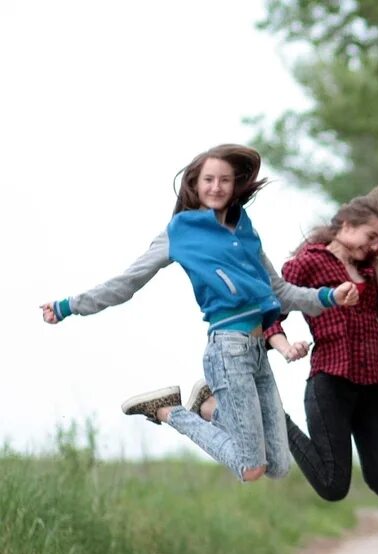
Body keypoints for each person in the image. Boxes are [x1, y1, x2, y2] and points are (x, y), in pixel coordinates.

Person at [41, 144, 358, 481]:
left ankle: (207, 405)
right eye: (209, 179)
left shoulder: (245, 231)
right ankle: (171, 411)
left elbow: (280, 292)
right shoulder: (180, 232)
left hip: (257, 352)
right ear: (195, 184)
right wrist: (69, 306)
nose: (216, 187)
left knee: (277, 467)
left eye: (224, 180)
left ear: (235, 185)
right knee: (251, 468)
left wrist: (330, 296)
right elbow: (128, 281)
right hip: (228, 350)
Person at [195, 186, 378, 501]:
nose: (374, 246)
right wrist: (283, 346)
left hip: (374, 386)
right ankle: (271, 418)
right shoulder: (306, 263)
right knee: (332, 486)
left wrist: (376, 268)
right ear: (347, 225)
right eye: (371, 236)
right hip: (331, 382)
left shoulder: (368, 271)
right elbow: (271, 312)